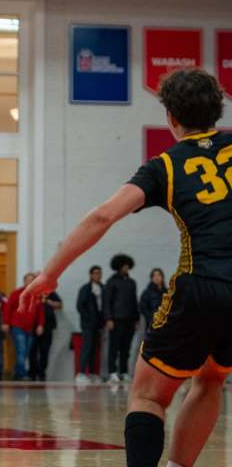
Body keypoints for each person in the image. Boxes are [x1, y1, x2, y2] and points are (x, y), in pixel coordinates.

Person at [22, 69, 232, 467]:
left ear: (170, 117)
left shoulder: (165, 165)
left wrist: (50, 273)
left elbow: (103, 217)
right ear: (217, 110)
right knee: (211, 379)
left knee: (149, 395)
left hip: (200, 284)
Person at [104, 253, 139, 382]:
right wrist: (108, 319)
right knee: (114, 346)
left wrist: (136, 319)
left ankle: (123, 371)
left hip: (130, 319)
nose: (126, 267)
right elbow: (106, 302)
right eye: (124, 265)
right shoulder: (111, 282)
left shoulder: (132, 282)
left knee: (126, 347)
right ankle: (112, 371)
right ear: (118, 266)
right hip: (116, 319)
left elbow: (134, 301)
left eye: (127, 265)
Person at [2, 273, 44, 381]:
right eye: (28, 280)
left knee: (26, 351)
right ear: (24, 281)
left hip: (30, 328)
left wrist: (40, 325)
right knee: (21, 349)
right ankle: (21, 374)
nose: (30, 282)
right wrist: (6, 323)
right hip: (17, 326)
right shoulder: (16, 293)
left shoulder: (37, 295)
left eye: (32, 280)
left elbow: (40, 312)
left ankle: (17, 372)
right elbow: (8, 308)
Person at [76, 265, 105, 383]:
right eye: (95, 273)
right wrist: (88, 318)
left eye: (99, 273)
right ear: (91, 275)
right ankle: (81, 373)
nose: (97, 275)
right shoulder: (85, 288)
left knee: (95, 350)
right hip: (88, 324)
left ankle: (93, 374)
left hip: (98, 324)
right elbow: (80, 306)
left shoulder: (104, 288)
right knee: (86, 348)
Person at [29, 287, 62, 382]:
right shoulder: (32, 292)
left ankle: (41, 372)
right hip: (33, 325)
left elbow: (59, 304)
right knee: (32, 351)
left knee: (45, 351)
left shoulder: (50, 292)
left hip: (48, 325)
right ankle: (32, 373)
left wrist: (47, 301)